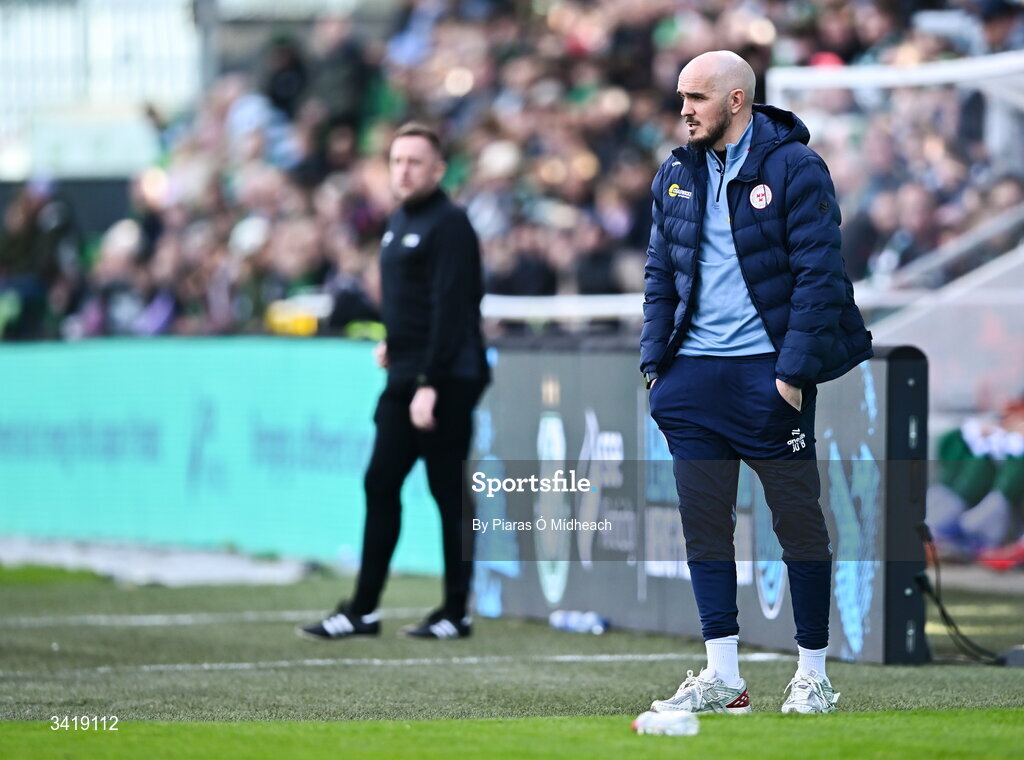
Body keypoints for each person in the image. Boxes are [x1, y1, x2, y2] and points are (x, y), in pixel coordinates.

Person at [641, 51, 873, 714]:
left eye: (698, 98)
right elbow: (660, 274)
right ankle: (724, 677)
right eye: (682, 96)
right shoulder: (676, 172)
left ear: (736, 100)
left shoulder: (796, 167)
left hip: (767, 379)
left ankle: (814, 675)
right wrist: (656, 367)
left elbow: (820, 279)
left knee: (798, 523)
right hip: (692, 383)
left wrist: (792, 374)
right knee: (704, 529)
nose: (685, 109)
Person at [299, 123, 490, 641]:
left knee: (447, 491)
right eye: (396, 161)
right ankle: (363, 610)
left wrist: (429, 380)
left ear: (437, 169)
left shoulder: (450, 223)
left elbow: (453, 309)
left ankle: (456, 611)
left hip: (445, 378)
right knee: (381, 482)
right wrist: (395, 342)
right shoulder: (399, 218)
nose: (403, 170)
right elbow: (414, 303)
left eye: (414, 161)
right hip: (409, 370)